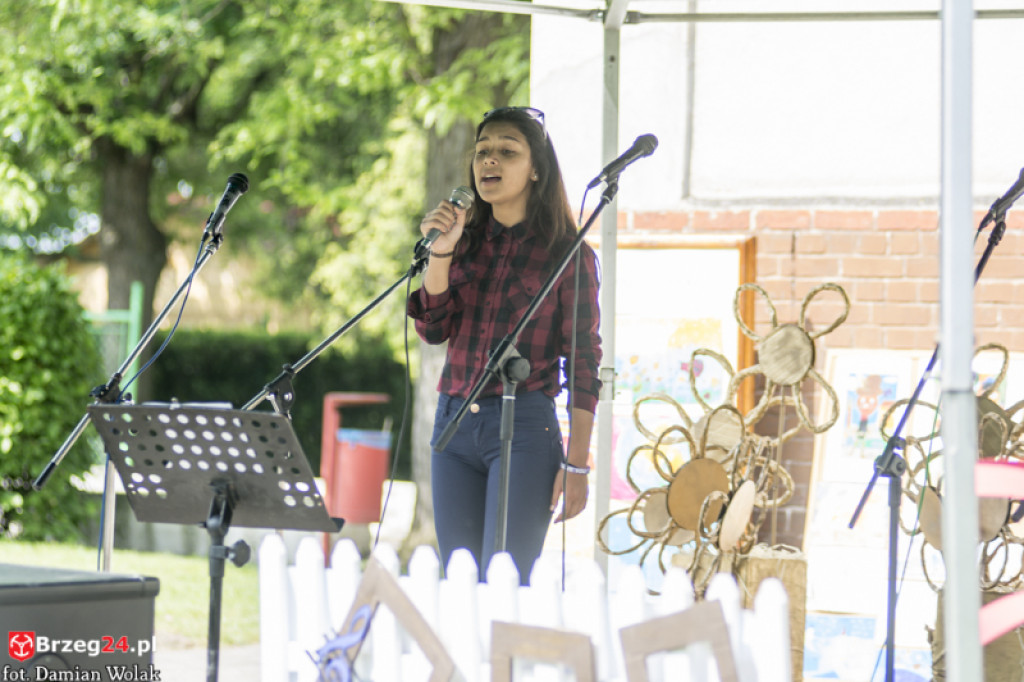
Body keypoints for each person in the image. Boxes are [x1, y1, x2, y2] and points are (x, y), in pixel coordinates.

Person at [407, 106, 602, 583]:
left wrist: (577, 466)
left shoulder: (567, 253)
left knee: (504, 584)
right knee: (460, 581)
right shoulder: (463, 241)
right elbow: (432, 329)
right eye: (482, 152)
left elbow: (584, 364)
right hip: (454, 424)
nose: (489, 161)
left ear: (536, 168)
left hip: (523, 428)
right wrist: (442, 252)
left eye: (506, 152)